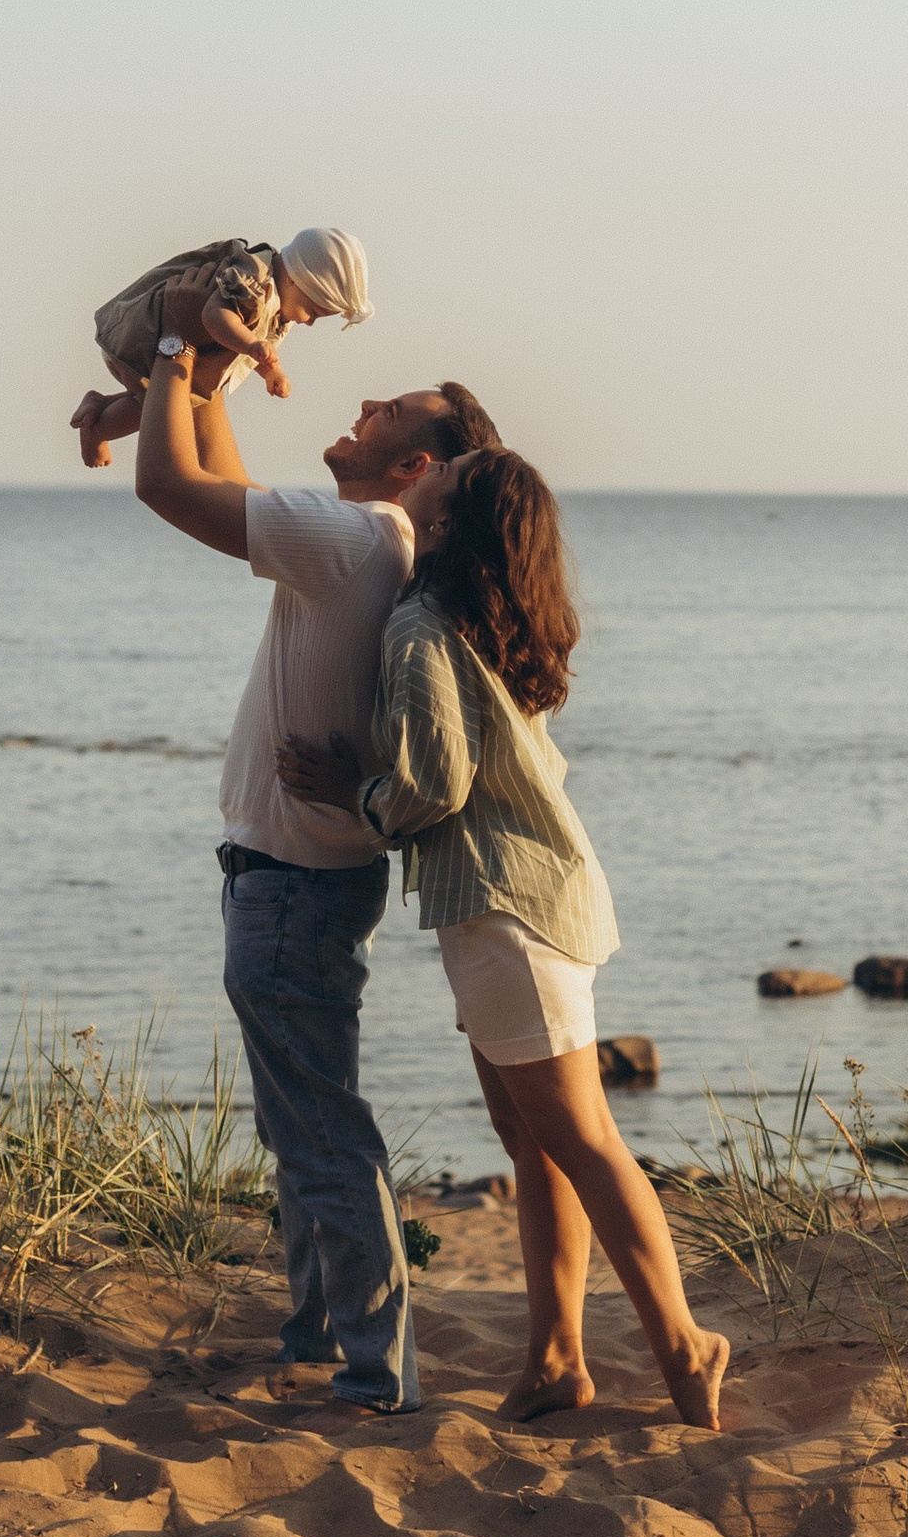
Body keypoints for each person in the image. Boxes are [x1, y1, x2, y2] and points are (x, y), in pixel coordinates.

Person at [277, 450, 731, 1434]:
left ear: (446, 521)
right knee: (535, 1143)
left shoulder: (419, 629)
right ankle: (556, 1360)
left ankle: (684, 1345)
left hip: (507, 912)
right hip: (526, 901)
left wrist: (348, 792)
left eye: (451, 471)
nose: (432, 471)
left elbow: (430, 785)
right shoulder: (485, 622)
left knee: (581, 1140)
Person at [134, 314, 499, 1414]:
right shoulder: (360, 541)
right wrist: (212, 366)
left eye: (381, 412)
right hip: (301, 878)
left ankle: (371, 1371)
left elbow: (168, 486)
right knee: (300, 1126)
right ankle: (313, 1341)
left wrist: (167, 355)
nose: (358, 408)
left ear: (413, 465)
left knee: (322, 1132)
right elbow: (215, 472)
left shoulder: (354, 539)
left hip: (290, 884)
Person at [73, 225, 369, 466]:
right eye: (313, 313)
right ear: (295, 280)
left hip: (157, 348)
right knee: (153, 409)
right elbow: (214, 316)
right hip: (144, 339)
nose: (309, 323)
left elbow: (265, 347)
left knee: (161, 399)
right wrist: (250, 344)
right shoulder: (253, 281)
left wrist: (272, 373)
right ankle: (96, 430)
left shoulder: (278, 303)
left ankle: (99, 405)